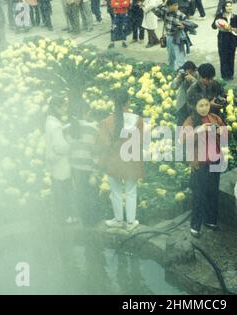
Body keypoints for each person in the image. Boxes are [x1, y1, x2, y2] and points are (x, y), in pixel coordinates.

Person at [97, 88, 144, 231]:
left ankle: (118, 220)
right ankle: (130, 223)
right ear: (128, 102)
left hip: (113, 161)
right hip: (131, 161)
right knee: (131, 191)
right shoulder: (138, 120)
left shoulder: (107, 121)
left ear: (114, 103)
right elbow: (141, 141)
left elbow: (102, 143)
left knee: (115, 192)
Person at [182, 98, 227, 238]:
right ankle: (195, 225)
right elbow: (183, 139)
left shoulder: (214, 118)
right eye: (200, 105)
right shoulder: (190, 121)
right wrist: (199, 130)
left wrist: (221, 132)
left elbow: (226, 135)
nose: (204, 108)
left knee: (213, 191)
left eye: (207, 104)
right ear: (195, 106)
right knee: (199, 194)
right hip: (200, 163)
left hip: (215, 160)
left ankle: (210, 221)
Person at [65, 101, 100, 227]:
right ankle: (90, 228)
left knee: (78, 198)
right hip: (87, 169)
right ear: (87, 112)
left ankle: (81, 228)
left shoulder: (66, 129)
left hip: (72, 169)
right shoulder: (92, 129)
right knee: (89, 200)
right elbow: (96, 153)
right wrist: (94, 174)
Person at [45, 96, 74, 224]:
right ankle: (64, 219)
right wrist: (71, 146)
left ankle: (59, 219)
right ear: (57, 107)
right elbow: (59, 147)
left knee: (58, 193)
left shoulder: (48, 122)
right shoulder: (56, 125)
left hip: (54, 164)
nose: (65, 109)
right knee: (63, 194)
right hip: (61, 165)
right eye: (64, 106)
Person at [152, 0, 187, 71]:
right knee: (171, 56)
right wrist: (163, 4)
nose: (176, 7)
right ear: (168, 6)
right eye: (174, 5)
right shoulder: (165, 12)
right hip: (169, 37)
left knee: (180, 56)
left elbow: (187, 26)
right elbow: (154, 10)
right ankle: (171, 71)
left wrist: (183, 26)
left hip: (178, 38)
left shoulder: (181, 15)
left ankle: (182, 72)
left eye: (177, 5)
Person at [212, 1, 237, 81]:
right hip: (222, 39)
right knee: (223, 57)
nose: (229, 8)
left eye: (230, 6)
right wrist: (218, 23)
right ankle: (224, 75)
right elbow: (213, 26)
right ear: (224, 7)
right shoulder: (220, 16)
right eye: (227, 6)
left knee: (231, 57)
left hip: (232, 39)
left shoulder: (235, 17)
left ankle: (230, 74)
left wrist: (235, 29)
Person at [170, 61, 198, 126]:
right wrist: (178, 79)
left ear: (194, 71)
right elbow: (173, 86)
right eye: (187, 73)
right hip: (182, 103)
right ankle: (179, 135)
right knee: (180, 123)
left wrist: (193, 80)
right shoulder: (182, 75)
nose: (188, 74)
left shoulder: (197, 75)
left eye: (191, 73)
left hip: (194, 105)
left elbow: (200, 87)